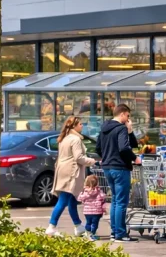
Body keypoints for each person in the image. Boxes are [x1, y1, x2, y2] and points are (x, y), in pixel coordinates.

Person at [46, 116, 97, 236]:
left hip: (63, 170)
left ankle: (78, 226)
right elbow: (78, 158)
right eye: (80, 124)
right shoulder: (75, 139)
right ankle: (52, 226)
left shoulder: (65, 138)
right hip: (71, 172)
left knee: (72, 200)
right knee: (64, 199)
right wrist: (92, 161)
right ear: (74, 126)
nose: (82, 126)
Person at [97, 104, 140, 242]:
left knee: (115, 200)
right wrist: (135, 158)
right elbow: (124, 148)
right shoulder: (121, 128)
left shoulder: (104, 128)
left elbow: (98, 148)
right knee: (121, 201)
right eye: (127, 116)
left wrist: (130, 131)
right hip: (120, 168)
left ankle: (114, 232)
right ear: (122, 114)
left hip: (108, 168)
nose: (128, 119)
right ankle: (120, 234)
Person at [78, 175, 107, 241]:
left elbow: (80, 198)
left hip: (87, 211)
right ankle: (92, 234)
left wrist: (82, 194)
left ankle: (88, 233)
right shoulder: (99, 191)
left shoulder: (85, 191)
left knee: (88, 222)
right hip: (97, 211)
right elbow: (102, 198)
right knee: (94, 224)